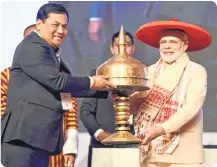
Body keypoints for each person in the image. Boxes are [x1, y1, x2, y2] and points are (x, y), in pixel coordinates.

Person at [1, 3, 115, 167]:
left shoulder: (52, 55)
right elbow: (59, 82)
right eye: (55, 25)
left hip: (40, 140)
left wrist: (104, 89)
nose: (61, 31)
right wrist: (92, 81)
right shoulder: (32, 46)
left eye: (64, 26)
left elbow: (65, 91)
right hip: (23, 140)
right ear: (39, 24)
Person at [130, 19, 211, 167]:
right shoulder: (150, 71)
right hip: (149, 150)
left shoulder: (196, 71)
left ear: (184, 46)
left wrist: (161, 129)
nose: (167, 47)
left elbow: (192, 107)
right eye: (163, 42)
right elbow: (136, 107)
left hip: (183, 153)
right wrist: (124, 99)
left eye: (173, 42)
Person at [80, 30, 136, 167]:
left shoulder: (143, 74)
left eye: (126, 44)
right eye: (117, 45)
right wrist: (100, 134)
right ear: (112, 49)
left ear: (133, 49)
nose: (122, 48)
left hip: (133, 146)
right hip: (102, 146)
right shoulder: (98, 75)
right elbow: (85, 111)